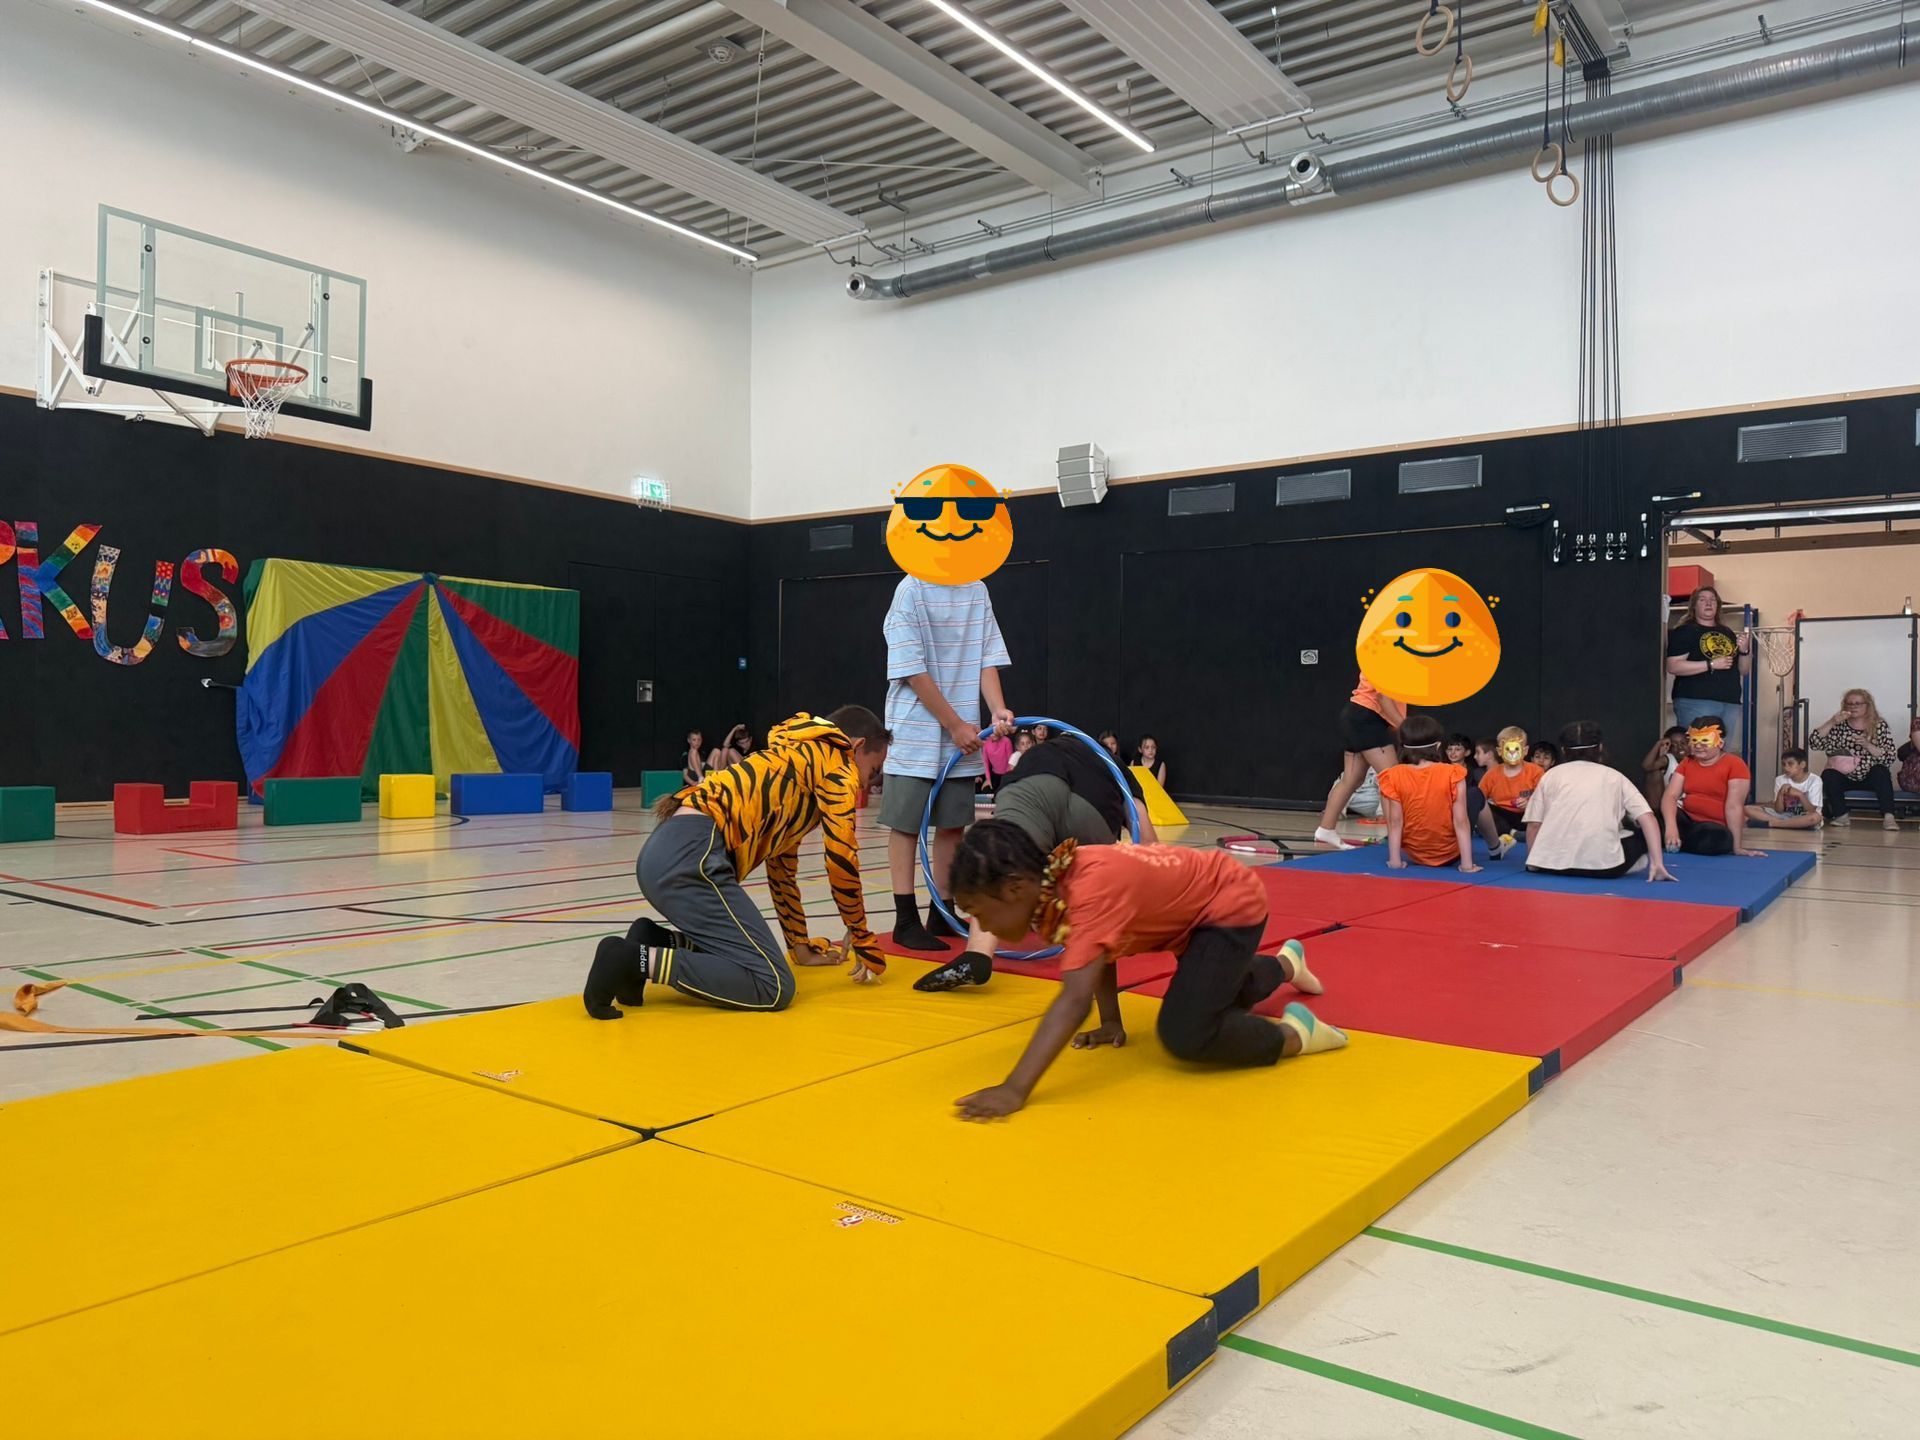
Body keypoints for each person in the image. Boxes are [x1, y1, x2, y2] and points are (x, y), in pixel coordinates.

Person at [947, 822, 1347, 1120]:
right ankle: (1285, 965)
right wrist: (1110, 1021)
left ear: (1015, 888)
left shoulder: (1085, 891)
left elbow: (1074, 1000)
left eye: (980, 913)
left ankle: (1295, 1035)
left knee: (1186, 1032)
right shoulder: (1054, 889)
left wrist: (1015, 1088)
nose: (981, 926)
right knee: (1217, 989)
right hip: (1201, 910)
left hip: (1229, 903)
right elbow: (1096, 950)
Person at [584, 708, 891, 1020]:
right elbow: (841, 859)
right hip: (691, 857)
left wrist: (799, 946)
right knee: (773, 985)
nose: (866, 784)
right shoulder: (838, 766)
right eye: (873, 770)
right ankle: (631, 960)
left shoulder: (798, 761)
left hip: (668, 850)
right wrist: (862, 936)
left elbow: (782, 870)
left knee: (748, 957)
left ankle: (654, 941)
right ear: (856, 746)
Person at [916, 732, 1158, 992]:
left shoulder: (1040, 752)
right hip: (1094, 804)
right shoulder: (1113, 764)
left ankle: (978, 952)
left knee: (1003, 858)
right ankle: (1086, 950)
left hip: (1033, 787)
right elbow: (1143, 831)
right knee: (1089, 877)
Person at [880, 568, 1014, 950]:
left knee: (953, 825)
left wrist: (997, 709)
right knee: (906, 825)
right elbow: (911, 670)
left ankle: (942, 910)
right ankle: (905, 919)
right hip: (917, 733)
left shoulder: (977, 588)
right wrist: (953, 724)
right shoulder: (910, 590)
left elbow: (986, 656)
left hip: (964, 736)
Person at [1522, 721, 1675, 881]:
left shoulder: (1550, 776)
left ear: (1563, 750)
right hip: (1604, 869)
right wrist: (1657, 864)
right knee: (1640, 837)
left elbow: (1534, 825)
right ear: (1600, 748)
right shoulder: (1615, 777)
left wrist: (1534, 863)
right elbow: (1648, 818)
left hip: (1551, 866)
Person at [1379, 715, 1481, 874]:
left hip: (1414, 854)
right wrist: (1467, 865)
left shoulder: (1392, 775)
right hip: (1449, 853)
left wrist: (1395, 862)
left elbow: (1395, 821)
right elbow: (1461, 821)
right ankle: (1495, 846)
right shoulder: (1452, 773)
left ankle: (1495, 847)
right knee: (1476, 795)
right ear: (1438, 746)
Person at [1316, 674, 1405, 849]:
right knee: (1392, 779)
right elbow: (1383, 698)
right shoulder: (1389, 661)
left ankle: (1326, 829)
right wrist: (1406, 727)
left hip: (1356, 715)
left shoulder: (1389, 661)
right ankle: (1395, 837)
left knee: (1352, 779)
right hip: (1368, 718)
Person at [1660, 717, 1763, 857]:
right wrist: (1671, 828)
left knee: (1717, 840)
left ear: (1720, 743)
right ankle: (1671, 839)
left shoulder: (1735, 764)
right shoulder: (1687, 762)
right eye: (1694, 740)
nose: (1698, 746)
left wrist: (1737, 847)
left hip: (1713, 827)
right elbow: (1670, 796)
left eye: (1705, 740)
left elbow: (1734, 807)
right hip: (1687, 820)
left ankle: (1673, 842)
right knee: (1653, 818)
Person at [1665, 584, 1751, 746]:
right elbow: (1673, 666)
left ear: (1718, 606)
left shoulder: (1727, 632)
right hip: (1695, 700)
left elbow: (1743, 670)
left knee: (1722, 751)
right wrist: (1710, 664)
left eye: (1712, 600)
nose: (1708, 603)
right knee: (1699, 749)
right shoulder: (1684, 631)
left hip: (1730, 700)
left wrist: (1745, 651)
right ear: (1694, 605)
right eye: (1703, 600)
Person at [1809, 688, 1900, 830]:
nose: (1853, 707)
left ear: (1867, 706)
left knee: (1881, 771)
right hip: (1845, 775)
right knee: (1829, 774)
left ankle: (1889, 816)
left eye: (1858, 703)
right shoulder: (1839, 725)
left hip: (1870, 775)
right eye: (1849, 703)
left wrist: (1868, 745)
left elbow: (1890, 756)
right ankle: (1841, 815)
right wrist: (1832, 722)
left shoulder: (1878, 725)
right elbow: (1814, 743)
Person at [1479, 727, 1544, 837]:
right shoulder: (1491, 774)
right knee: (1486, 811)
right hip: (1502, 816)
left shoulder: (1536, 771)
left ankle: (1519, 832)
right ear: (1500, 751)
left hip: (1527, 816)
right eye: (1508, 749)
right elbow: (1479, 798)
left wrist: (1530, 803)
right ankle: (1513, 833)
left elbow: (1545, 798)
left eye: (1517, 749)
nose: (1512, 753)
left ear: (1525, 751)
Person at [1744, 748, 1823, 831]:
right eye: (1783, 764)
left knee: (1815, 817)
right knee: (1747, 809)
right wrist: (1780, 793)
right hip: (1784, 815)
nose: (1786, 767)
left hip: (1804, 816)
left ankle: (1773, 823)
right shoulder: (1780, 779)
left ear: (1802, 765)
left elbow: (1811, 810)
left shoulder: (1815, 780)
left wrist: (1800, 795)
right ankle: (1790, 824)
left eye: (1790, 764)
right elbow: (1779, 810)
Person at [1641, 725, 1689, 810]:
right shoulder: (1669, 759)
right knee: (1653, 773)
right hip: (1669, 806)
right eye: (1674, 745)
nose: (1680, 747)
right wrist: (1659, 744)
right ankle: (1656, 814)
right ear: (1669, 747)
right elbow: (1647, 766)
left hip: (1689, 806)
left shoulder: (1696, 759)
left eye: (1683, 743)